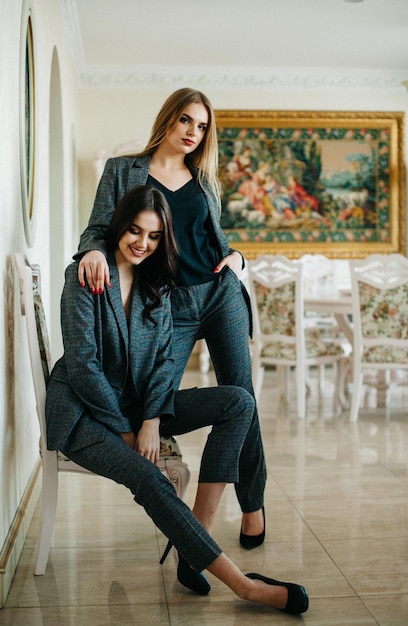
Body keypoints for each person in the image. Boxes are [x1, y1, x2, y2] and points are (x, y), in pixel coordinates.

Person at [45, 186, 308, 614]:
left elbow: (166, 359)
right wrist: (128, 431)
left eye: (152, 236)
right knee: (149, 477)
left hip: (137, 409)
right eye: (134, 230)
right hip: (85, 417)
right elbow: (84, 368)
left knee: (238, 401)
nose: (141, 243)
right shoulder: (86, 278)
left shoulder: (157, 284)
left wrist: (151, 419)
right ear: (118, 226)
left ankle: (194, 546)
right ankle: (245, 586)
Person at [75, 88, 267, 548]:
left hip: (219, 295)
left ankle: (253, 505)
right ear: (168, 119)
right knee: (155, 398)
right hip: (166, 303)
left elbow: (217, 241)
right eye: (186, 121)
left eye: (201, 127)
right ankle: (183, 521)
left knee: (244, 398)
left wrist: (238, 259)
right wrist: (90, 253)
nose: (192, 133)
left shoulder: (203, 179)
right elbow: (98, 228)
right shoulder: (123, 170)